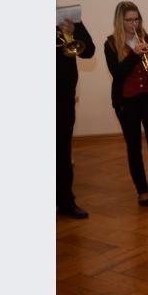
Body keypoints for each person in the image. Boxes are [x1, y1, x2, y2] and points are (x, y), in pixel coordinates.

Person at [104, 1, 148, 207]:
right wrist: (134, 54)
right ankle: (142, 191)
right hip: (127, 102)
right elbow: (117, 73)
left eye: (137, 19)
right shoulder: (111, 43)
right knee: (134, 147)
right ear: (120, 21)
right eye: (129, 20)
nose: (134, 23)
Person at [57, 17, 96, 219]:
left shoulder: (70, 18)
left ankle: (65, 201)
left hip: (62, 97)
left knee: (63, 151)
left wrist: (73, 32)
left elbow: (89, 51)